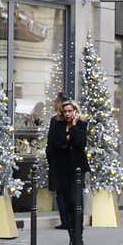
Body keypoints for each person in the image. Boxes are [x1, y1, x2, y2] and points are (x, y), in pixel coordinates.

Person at [53, 100, 89, 245]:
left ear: (75, 111)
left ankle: (79, 239)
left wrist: (73, 128)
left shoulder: (80, 125)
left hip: (77, 171)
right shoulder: (57, 125)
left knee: (76, 203)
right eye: (65, 111)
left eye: (70, 111)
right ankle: (72, 240)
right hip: (62, 169)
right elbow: (55, 144)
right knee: (66, 206)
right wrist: (66, 141)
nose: (67, 114)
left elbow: (80, 143)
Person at [43, 94, 68, 230]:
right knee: (65, 193)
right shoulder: (67, 120)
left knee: (61, 193)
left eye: (55, 102)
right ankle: (69, 221)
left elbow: (51, 142)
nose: (53, 104)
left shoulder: (56, 120)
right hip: (64, 162)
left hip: (58, 163)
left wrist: (50, 156)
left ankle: (66, 221)